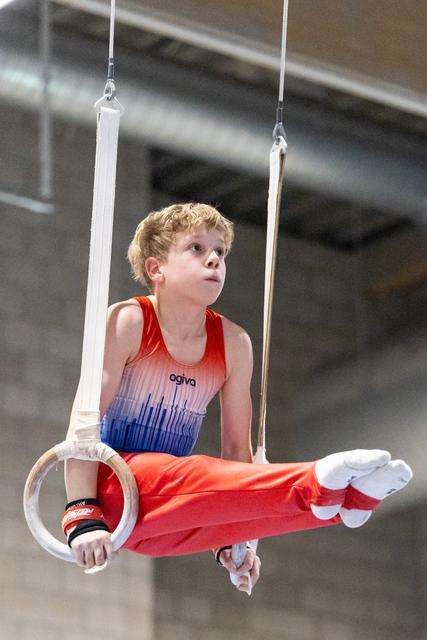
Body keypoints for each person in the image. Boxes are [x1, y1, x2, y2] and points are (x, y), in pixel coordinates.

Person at [64, 202, 412, 592]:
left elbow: (235, 452)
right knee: (190, 471)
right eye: (196, 248)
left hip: (166, 517)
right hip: (115, 489)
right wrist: (81, 512)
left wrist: (234, 537)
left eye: (220, 252)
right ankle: (315, 479)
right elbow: (83, 426)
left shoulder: (233, 343)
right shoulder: (128, 322)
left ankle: (348, 501)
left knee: (237, 489)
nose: (213, 259)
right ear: (155, 268)